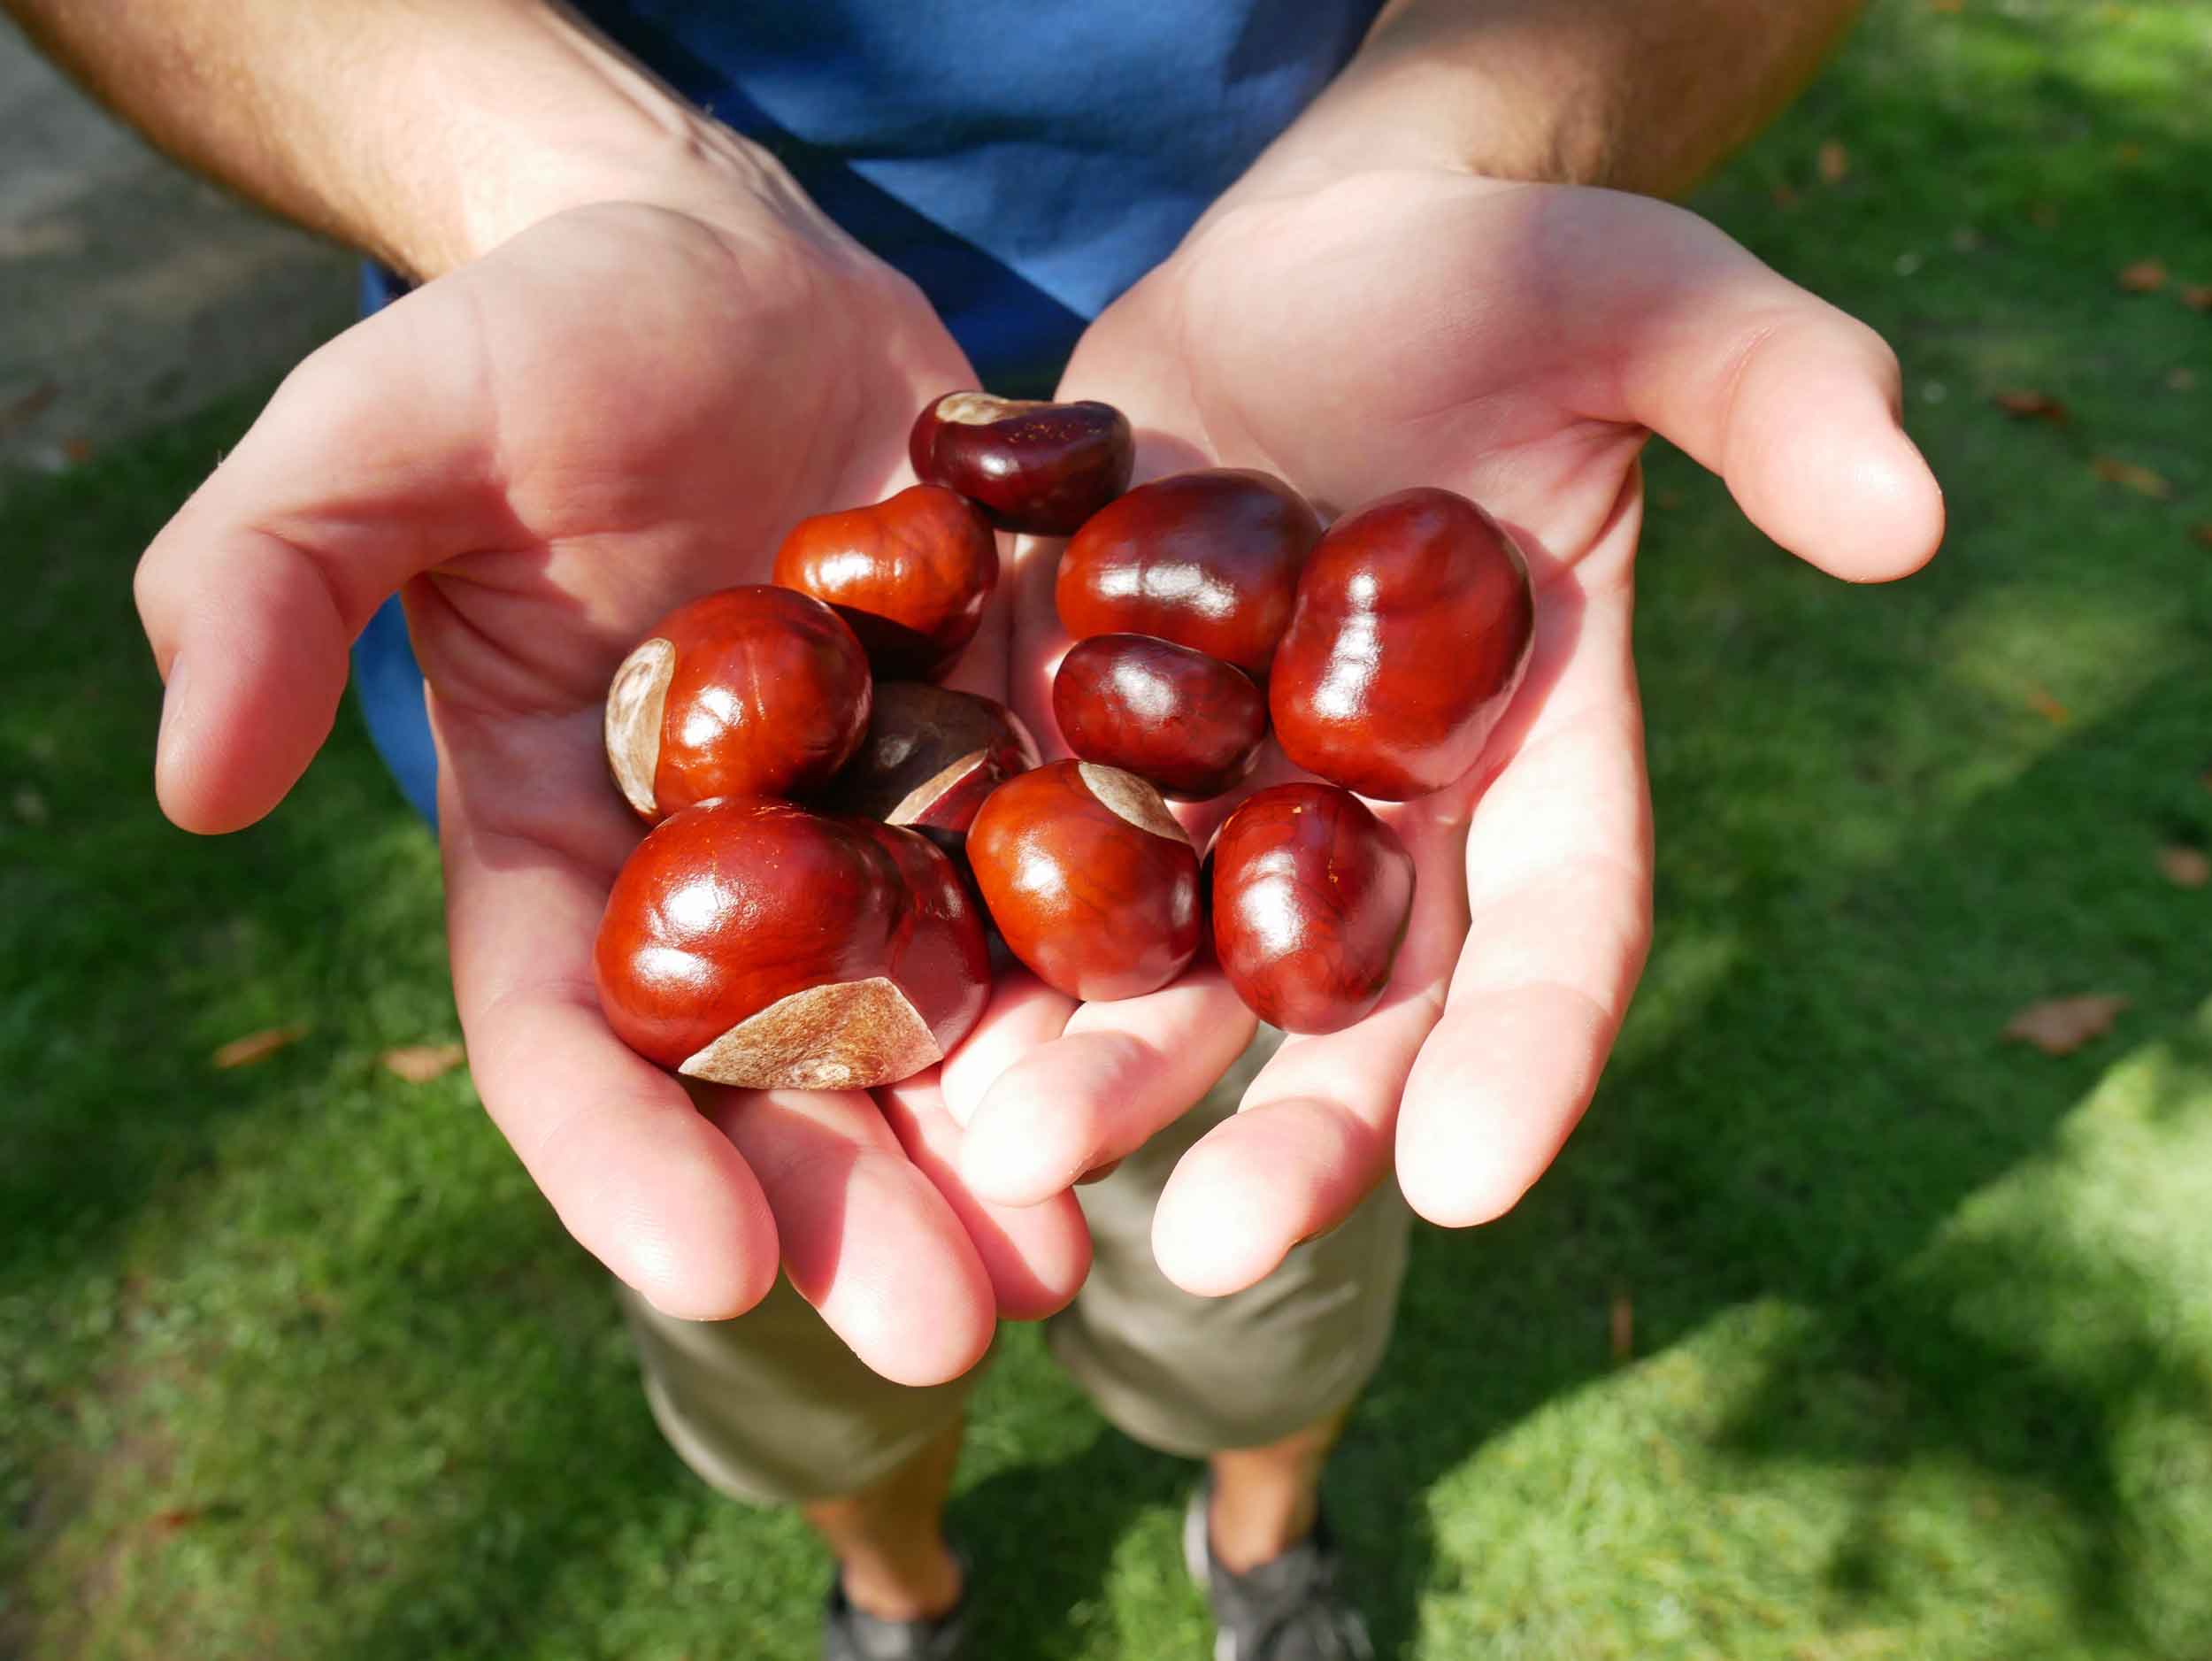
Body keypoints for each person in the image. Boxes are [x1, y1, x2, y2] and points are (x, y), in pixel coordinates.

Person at [8, 2, 1944, 1655]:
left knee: (1257, 1274)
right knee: (796, 1294)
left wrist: (1474, 132)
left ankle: (1261, 1548)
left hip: (1280, 461)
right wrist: (553, 188)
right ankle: (894, 1590)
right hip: (620, 571)